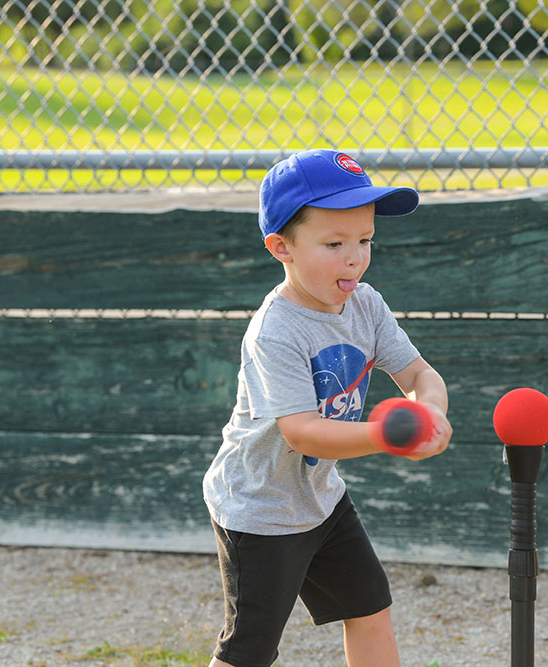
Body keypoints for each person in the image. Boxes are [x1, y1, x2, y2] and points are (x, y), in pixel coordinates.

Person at [202, 148, 452, 667]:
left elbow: (418, 374)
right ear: (281, 248)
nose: (354, 257)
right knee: (249, 648)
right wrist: (386, 436)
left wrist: (430, 412)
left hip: (319, 497)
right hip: (261, 508)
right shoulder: (277, 330)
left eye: (365, 240)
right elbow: (302, 433)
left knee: (369, 606)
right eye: (334, 243)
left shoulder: (366, 305)